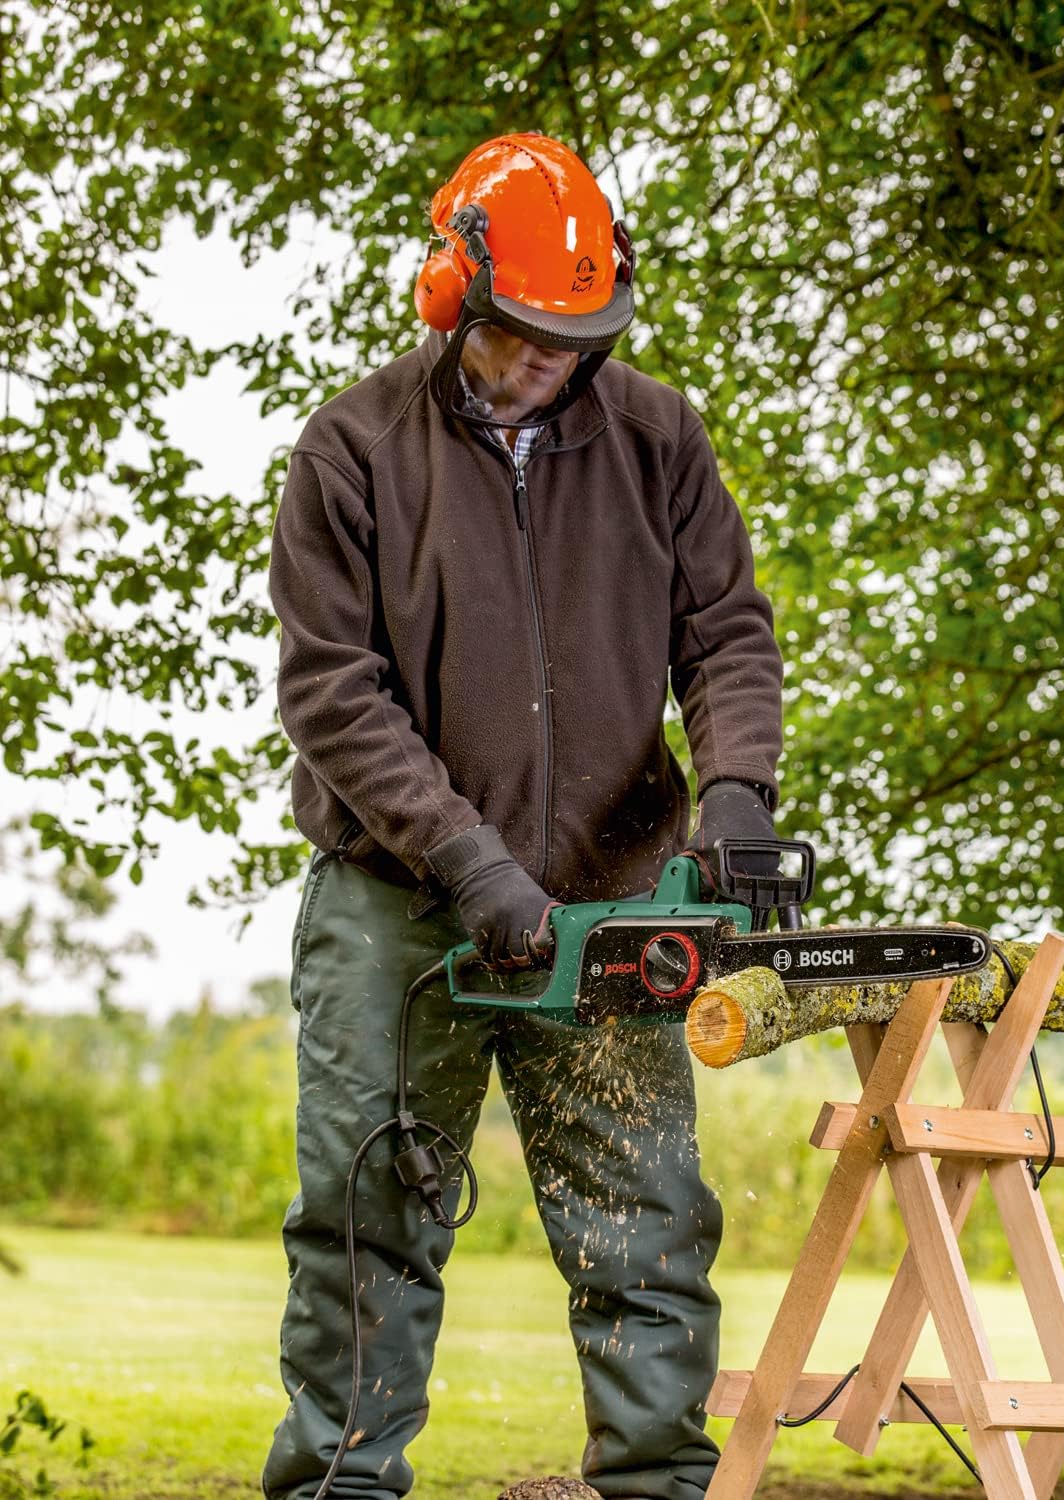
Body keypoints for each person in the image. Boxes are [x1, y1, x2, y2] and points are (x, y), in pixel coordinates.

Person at [261, 132, 784, 1500]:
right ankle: (339, 1486)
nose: (555, 360)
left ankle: (658, 1487)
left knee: (647, 1232)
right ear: (456, 299)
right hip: (400, 909)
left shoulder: (658, 436)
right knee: (366, 1225)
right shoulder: (352, 450)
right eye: (529, 335)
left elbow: (725, 629)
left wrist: (735, 797)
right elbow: (334, 691)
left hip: (608, 907)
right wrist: (473, 867)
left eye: (578, 336)